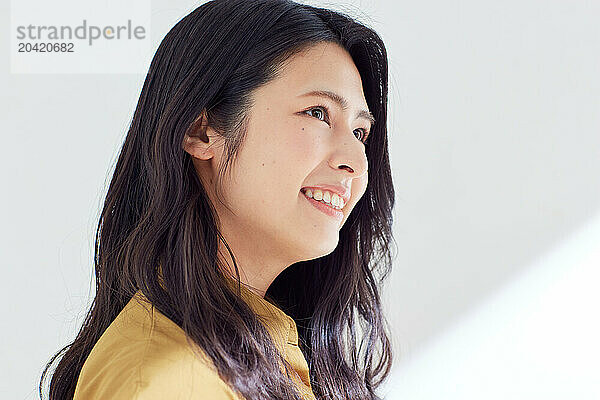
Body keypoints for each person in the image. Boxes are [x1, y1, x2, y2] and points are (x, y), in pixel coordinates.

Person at [39, 0, 396, 399]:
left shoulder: (267, 350)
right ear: (202, 131)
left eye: (361, 133)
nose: (355, 161)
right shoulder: (168, 382)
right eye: (317, 112)